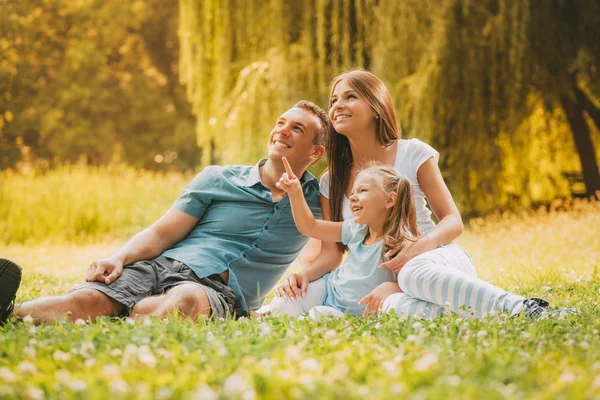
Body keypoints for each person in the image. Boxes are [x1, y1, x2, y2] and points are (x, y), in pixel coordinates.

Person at [0, 101, 328, 325]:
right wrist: (119, 258)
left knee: (185, 301)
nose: (282, 130)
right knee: (89, 299)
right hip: (161, 267)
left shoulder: (319, 199)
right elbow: (161, 233)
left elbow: (347, 228)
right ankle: (10, 311)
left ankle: (121, 310)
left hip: (216, 291)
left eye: (297, 129)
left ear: (316, 152)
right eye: (280, 123)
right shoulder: (219, 178)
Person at [273, 70, 558, 319]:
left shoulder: (412, 153)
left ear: (376, 107)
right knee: (297, 300)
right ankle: (448, 309)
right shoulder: (332, 181)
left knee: (411, 275)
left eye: (350, 97)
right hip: (379, 278)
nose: (338, 106)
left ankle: (523, 308)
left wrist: (421, 245)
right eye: (334, 100)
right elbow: (331, 255)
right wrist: (302, 276)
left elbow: (452, 221)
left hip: (433, 261)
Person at [271, 161, 418, 319]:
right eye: (353, 192)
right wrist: (295, 193)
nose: (353, 197)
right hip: (330, 289)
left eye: (362, 190)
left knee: (316, 316)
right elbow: (310, 226)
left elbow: (417, 285)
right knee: (281, 304)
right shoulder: (356, 228)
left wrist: (393, 287)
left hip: (353, 314)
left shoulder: (403, 245)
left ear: (389, 200)